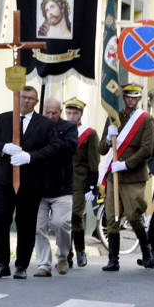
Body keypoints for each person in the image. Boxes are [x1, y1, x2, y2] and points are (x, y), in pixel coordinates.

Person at [0, 86, 59, 279]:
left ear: (36, 102)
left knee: (26, 223)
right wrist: (3, 147)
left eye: (30, 98)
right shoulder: (2, 119)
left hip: (30, 182)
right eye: (23, 97)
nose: (26, 101)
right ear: (17, 99)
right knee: (0, 219)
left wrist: (30, 157)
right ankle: (1, 263)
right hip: (3, 180)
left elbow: (54, 149)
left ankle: (21, 265)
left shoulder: (45, 124)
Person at [97, 82, 154, 271]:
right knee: (112, 215)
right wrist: (107, 138)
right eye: (128, 97)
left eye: (134, 97)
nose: (131, 100)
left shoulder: (146, 119)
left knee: (132, 214)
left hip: (133, 175)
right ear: (124, 98)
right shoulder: (114, 116)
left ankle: (146, 251)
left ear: (139, 99)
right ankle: (113, 259)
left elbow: (147, 148)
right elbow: (101, 149)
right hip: (114, 174)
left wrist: (127, 164)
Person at [33, 98, 77, 276]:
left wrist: (51, 140)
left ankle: (63, 256)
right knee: (38, 227)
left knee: (61, 223)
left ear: (60, 112)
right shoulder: (36, 126)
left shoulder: (69, 128)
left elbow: (69, 147)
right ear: (43, 111)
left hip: (62, 187)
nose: (51, 116)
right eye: (47, 113)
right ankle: (43, 264)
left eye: (55, 113)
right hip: (38, 186)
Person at [64, 98, 99, 267]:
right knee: (63, 219)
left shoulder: (89, 133)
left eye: (75, 113)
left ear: (81, 114)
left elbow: (94, 160)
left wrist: (92, 184)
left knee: (75, 215)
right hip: (61, 180)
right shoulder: (59, 130)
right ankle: (67, 253)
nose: (71, 116)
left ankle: (80, 250)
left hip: (79, 180)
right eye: (69, 113)